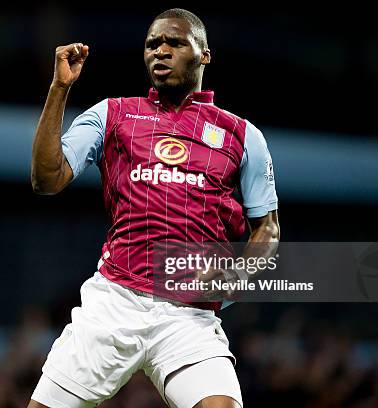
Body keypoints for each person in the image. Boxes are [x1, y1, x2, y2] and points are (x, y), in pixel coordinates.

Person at [29, 8, 280, 408]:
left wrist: (236, 275)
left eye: (174, 43)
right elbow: (47, 179)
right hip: (115, 301)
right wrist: (60, 88)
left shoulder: (242, 135)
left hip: (189, 316)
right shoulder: (113, 114)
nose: (160, 51)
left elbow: (267, 229)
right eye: (152, 44)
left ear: (204, 55)